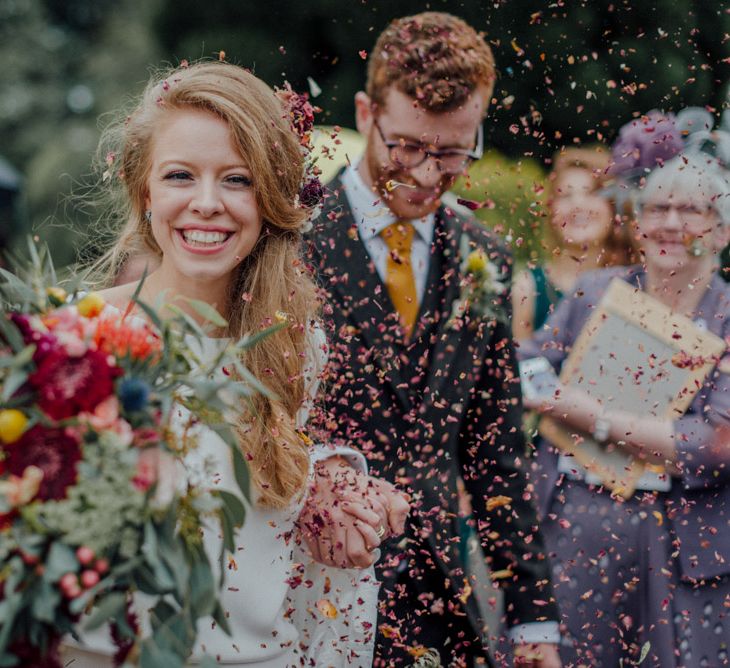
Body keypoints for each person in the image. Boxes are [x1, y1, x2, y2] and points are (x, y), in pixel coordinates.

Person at [61, 60, 409, 667]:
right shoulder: (75, 338)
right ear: (145, 191)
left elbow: (259, 485)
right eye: (179, 176)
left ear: (271, 197)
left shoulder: (299, 348)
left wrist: (342, 489)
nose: (206, 204)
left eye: (237, 180)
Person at [307, 12, 561, 667]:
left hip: (440, 599)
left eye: (452, 152)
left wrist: (533, 617)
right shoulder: (291, 245)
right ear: (366, 113)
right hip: (311, 590)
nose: (426, 175)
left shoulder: (487, 260)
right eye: (409, 147)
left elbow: (495, 451)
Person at [518, 153, 730, 666]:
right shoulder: (596, 290)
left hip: (677, 542)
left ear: (721, 232)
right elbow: (526, 362)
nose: (672, 224)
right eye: (657, 208)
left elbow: (714, 446)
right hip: (571, 523)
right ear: (636, 224)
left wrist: (596, 419)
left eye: (692, 210)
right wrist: (548, 392)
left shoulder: (726, 318)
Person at [512, 147, 627, 341]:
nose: (578, 205)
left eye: (592, 193)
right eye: (565, 196)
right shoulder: (527, 289)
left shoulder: (636, 281)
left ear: (613, 206)